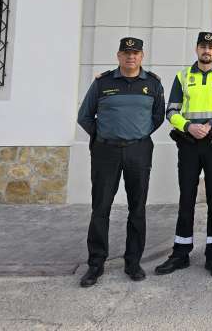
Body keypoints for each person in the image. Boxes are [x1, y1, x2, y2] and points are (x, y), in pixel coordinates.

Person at [76, 37, 165, 287]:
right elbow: (84, 116)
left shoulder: (152, 84)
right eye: (126, 53)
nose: (130, 57)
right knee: (101, 208)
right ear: (118, 56)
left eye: (135, 53)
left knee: (137, 208)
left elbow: (158, 116)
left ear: (142, 56)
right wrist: (103, 135)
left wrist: (138, 133)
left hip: (139, 151)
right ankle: (95, 264)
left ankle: (133, 262)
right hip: (106, 152)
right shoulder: (102, 82)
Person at [154, 32, 212, 279]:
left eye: (211, 47)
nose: (207, 51)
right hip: (189, 144)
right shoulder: (183, 77)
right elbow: (171, 111)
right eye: (203, 46)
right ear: (197, 49)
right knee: (187, 198)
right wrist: (188, 126)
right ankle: (180, 253)